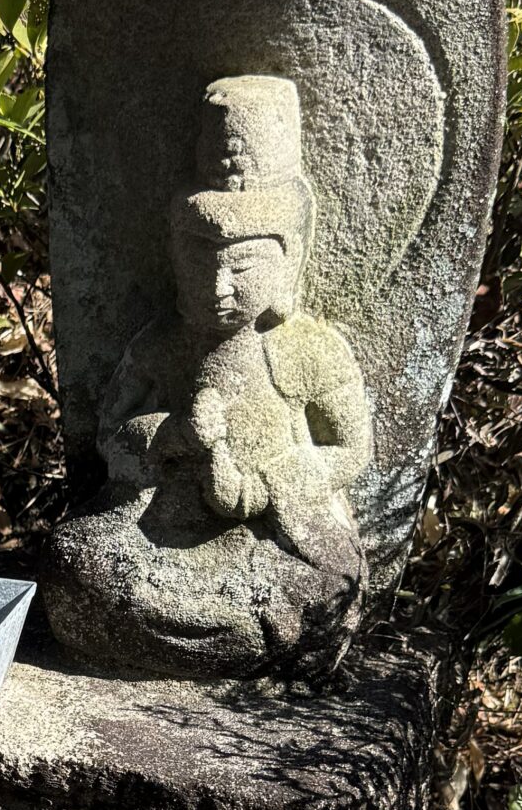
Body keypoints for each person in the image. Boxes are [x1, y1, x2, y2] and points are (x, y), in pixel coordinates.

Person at [45, 76, 372, 678]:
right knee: (74, 566)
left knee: (328, 598)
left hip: (272, 536)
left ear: (288, 261)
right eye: (200, 264)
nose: (218, 287)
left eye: (242, 267)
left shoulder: (311, 351)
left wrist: (275, 477)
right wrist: (172, 434)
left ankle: (239, 633)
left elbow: (351, 449)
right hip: (161, 529)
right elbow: (112, 436)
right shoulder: (162, 345)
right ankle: (227, 636)